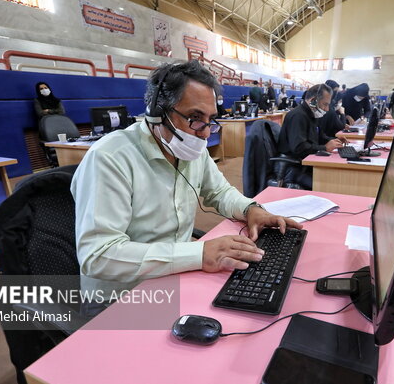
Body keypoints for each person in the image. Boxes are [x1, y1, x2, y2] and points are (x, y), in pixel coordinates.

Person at [71, 61, 302, 303]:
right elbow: (98, 255)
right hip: (119, 299)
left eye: (210, 119)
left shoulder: (189, 147)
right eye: (194, 117)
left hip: (175, 278)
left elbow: (220, 192)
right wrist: (199, 253)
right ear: (157, 112)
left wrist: (250, 209)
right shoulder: (110, 158)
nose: (204, 132)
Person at [278, 84, 347, 189]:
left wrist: (334, 140)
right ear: (313, 100)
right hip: (294, 168)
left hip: (305, 163)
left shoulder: (312, 115)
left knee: (335, 179)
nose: (327, 109)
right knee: (328, 186)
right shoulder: (298, 116)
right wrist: (325, 148)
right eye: (325, 104)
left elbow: (319, 136)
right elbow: (299, 147)